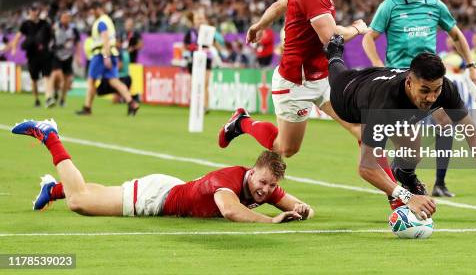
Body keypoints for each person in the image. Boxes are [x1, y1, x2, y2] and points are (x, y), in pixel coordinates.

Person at [218, 0, 371, 159]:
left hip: (323, 76)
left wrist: (259, 25)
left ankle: (397, 193)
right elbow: (331, 38)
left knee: (363, 130)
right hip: (296, 81)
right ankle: (242, 123)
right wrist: (357, 28)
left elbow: (281, 3)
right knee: (287, 148)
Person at [326, 36, 476, 217]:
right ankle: (334, 51)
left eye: (436, 90)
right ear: (409, 82)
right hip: (347, 94)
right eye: (425, 91)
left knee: (413, 151)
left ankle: (405, 174)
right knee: (336, 69)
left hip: (383, 83)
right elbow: (367, 168)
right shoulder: (383, 104)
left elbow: (468, 127)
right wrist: (407, 197)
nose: (431, 98)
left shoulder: (445, 88)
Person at [11, 120, 313, 223]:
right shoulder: (229, 180)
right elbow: (231, 211)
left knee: (95, 194)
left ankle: (52, 189)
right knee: (81, 202)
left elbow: (297, 208)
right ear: (251, 172)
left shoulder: (264, 185)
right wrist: (271, 220)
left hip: (168, 190)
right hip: (158, 197)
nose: (265, 190)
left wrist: (301, 209)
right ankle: (49, 135)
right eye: (262, 182)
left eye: (271, 186)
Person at [361, 0, 476, 198]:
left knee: (446, 122)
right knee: (410, 146)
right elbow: (368, 38)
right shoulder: (390, 5)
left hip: (430, 80)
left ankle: (439, 182)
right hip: (402, 83)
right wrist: (379, 68)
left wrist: (471, 66)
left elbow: (456, 35)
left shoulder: (436, 6)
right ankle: (398, 181)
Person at [76, 1, 138, 116]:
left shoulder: (101, 22)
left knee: (91, 80)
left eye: (92, 11)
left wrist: (106, 56)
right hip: (112, 53)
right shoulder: (108, 20)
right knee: (114, 81)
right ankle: (132, 102)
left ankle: (87, 107)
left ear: (97, 9)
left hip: (101, 54)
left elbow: (105, 37)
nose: (92, 13)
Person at [10, 3, 54, 107]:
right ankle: (37, 99)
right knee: (34, 79)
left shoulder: (44, 23)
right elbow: (18, 36)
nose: (34, 12)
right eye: (32, 10)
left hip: (44, 54)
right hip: (32, 55)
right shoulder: (25, 24)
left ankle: (48, 98)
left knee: (47, 76)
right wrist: (14, 48)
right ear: (29, 12)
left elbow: (51, 36)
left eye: (36, 10)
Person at [50, 11, 80, 107]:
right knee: (58, 76)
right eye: (64, 17)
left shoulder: (73, 29)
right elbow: (50, 41)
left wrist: (78, 56)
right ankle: (55, 91)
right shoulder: (55, 27)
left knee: (67, 79)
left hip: (68, 56)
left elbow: (78, 43)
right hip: (57, 55)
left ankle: (62, 100)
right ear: (60, 18)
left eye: (67, 17)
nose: (66, 19)